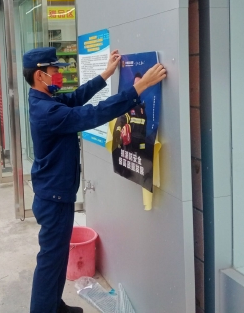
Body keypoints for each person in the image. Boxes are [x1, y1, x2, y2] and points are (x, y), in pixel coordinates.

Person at [23, 47, 166, 313]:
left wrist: (106, 74)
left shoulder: (45, 100)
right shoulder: (47, 111)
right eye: (54, 71)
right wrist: (140, 87)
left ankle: (54, 306)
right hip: (53, 198)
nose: (59, 75)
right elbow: (93, 114)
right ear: (40, 75)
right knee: (50, 261)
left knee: (57, 257)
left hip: (56, 193)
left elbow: (77, 97)